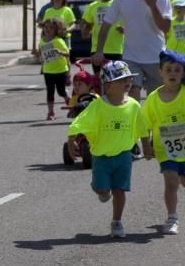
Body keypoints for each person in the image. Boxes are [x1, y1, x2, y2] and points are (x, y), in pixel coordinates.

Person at [67, 60, 150, 238]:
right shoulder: (98, 106)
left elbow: (142, 127)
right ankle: (100, 189)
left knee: (120, 190)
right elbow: (78, 123)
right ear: (109, 85)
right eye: (121, 79)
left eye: (128, 78)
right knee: (103, 190)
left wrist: (146, 147)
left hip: (123, 156)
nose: (127, 82)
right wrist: (71, 140)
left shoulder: (133, 105)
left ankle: (117, 222)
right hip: (101, 157)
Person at [92, 0, 172, 101]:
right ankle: (135, 122)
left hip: (155, 56)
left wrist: (153, 5)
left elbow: (165, 27)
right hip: (131, 57)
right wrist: (99, 51)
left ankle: (151, 122)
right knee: (133, 89)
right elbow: (105, 26)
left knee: (155, 97)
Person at [142, 50, 185, 235]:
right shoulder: (152, 99)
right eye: (168, 69)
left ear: (183, 74)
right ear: (160, 72)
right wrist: (146, 146)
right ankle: (172, 217)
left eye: (177, 70)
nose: (173, 73)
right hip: (165, 149)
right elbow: (144, 125)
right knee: (171, 182)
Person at [80, 0, 125, 76]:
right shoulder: (92, 6)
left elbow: (131, 24)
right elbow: (86, 26)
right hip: (97, 51)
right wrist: (85, 30)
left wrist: (124, 29)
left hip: (115, 50)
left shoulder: (119, 5)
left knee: (115, 81)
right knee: (98, 82)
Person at [36, 17, 70, 120]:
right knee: (50, 92)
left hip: (60, 70)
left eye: (51, 27)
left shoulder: (58, 41)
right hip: (48, 71)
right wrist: (38, 55)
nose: (48, 29)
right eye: (46, 27)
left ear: (56, 29)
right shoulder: (42, 41)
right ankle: (50, 112)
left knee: (61, 91)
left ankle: (68, 99)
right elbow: (41, 55)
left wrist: (60, 52)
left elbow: (68, 53)